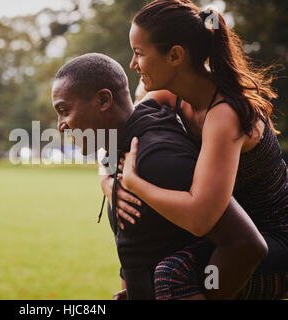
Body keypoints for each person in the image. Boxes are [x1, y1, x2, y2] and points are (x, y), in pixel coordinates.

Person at [51, 52, 267, 299]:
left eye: (64, 110)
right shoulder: (123, 149)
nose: (61, 125)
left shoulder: (158, 158)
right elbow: (141, 248)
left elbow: (245, 244)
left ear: (103, 100)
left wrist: (206, 295)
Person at [111, 0, 287, 299]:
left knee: (172, 275)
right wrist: (107, 181)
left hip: (272, 247)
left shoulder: (225, 115)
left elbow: (200, 218)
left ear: (175, 55)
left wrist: (134, 185)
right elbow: (124, 131)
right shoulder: (169, 95)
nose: (133, 64)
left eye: (139, 53)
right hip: (230, 235)